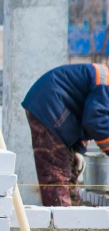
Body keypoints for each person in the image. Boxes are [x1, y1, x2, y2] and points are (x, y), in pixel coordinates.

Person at [23, 63, 109, 207]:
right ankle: (61, 218)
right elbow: (95, 121)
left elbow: (86, 114)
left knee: (70, 174)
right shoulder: (105, 84)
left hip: (57, 107)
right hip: (49, 105)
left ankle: (73, 216)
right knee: (56, 177)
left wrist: (79, 149)